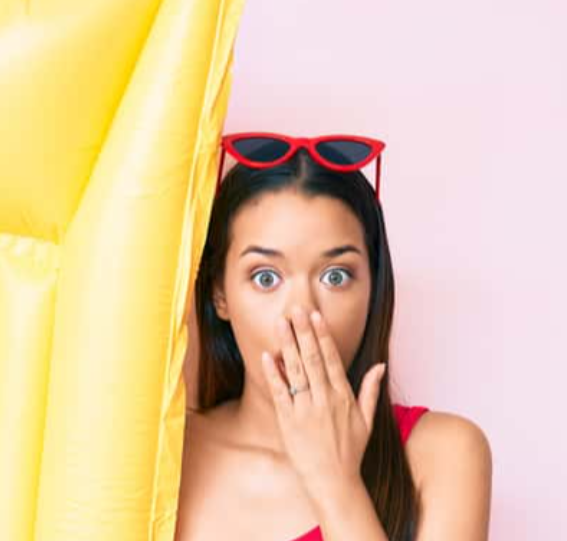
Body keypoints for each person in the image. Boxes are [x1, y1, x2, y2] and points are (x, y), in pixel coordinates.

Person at [174, 133, 492, 540]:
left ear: (373, 288)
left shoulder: (444, 453)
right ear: (220, 294)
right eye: (266, 278)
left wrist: (336, 482)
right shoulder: (166, 453)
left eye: (335, 276)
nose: (302, 312)